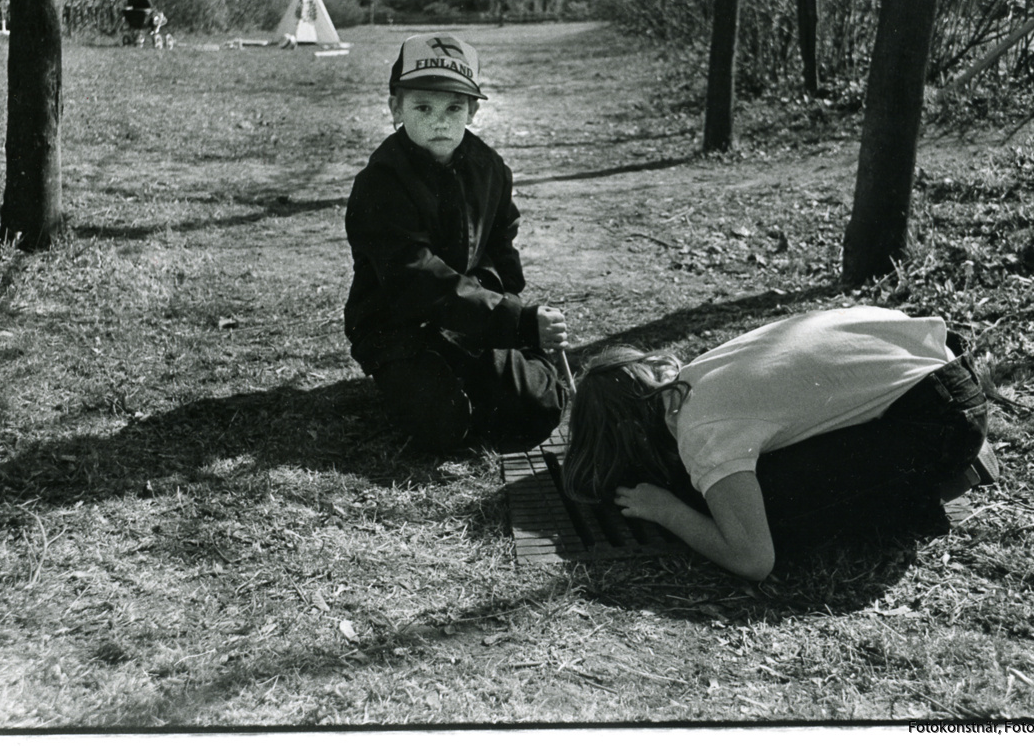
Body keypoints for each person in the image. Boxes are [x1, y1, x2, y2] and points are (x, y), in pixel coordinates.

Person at [561, 306, 999, 581]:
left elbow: (754, 559)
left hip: (940, 421)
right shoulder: (698, 374)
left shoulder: (699, 430)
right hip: (934, 358)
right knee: (763, 474)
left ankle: (954, 473)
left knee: (772, 511)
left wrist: (668, 510)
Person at [344, 33, 569, 454]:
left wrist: (512, 318)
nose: (440, 122)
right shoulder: (380, 183)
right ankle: (418, 379)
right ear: (396, 108)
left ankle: (509, 370)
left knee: (536, 408)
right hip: (396, 324)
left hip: (472, 320)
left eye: (454, 108)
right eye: (422, 107)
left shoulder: (490, 169)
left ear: (473, 110)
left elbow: (502, 244)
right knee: (440, 427)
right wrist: (512, 319)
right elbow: (414, 277)